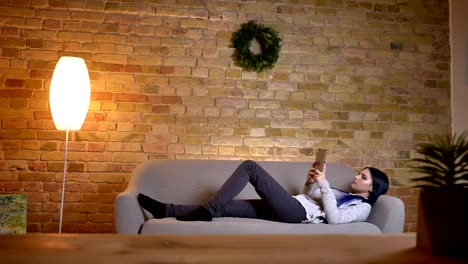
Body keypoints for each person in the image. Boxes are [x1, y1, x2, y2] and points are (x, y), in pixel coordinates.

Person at [137, 160, 389, 224]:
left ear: (372, 187)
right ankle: (165, 210)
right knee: (227, 207)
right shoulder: (342, 191)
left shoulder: (363, 208)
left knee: (250, 167)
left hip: (295, 213)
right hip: (292, 204)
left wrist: (324, 184)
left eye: (363, 176)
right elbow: (311, 198)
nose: (356, 176)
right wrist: (312, 182)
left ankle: (207, 211)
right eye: (359, 173)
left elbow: (333, 219)